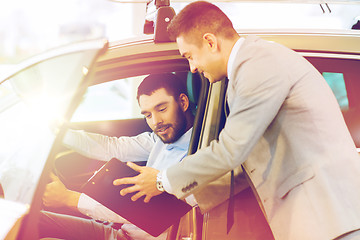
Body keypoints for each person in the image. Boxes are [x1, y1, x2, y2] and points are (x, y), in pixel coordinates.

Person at [114, 2, 360, 240]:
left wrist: (160, 180)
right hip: (317, 221)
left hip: (331, 218)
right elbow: (244, 166)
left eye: (190, 56)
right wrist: (185, 198)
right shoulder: (241, 77)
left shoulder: (258, 64)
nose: (192, 68)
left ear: (210, 42)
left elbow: (231, 150)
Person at [39, 72, 195, 240]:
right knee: (34, 220)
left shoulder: (196, 158)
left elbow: (149, 213)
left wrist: (68, 198)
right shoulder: (161, 139)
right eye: (148, 115)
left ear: (183, 102)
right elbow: (112, 147)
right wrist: (58, 133)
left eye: (162, 109)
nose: (156, 121)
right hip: (123, 231)